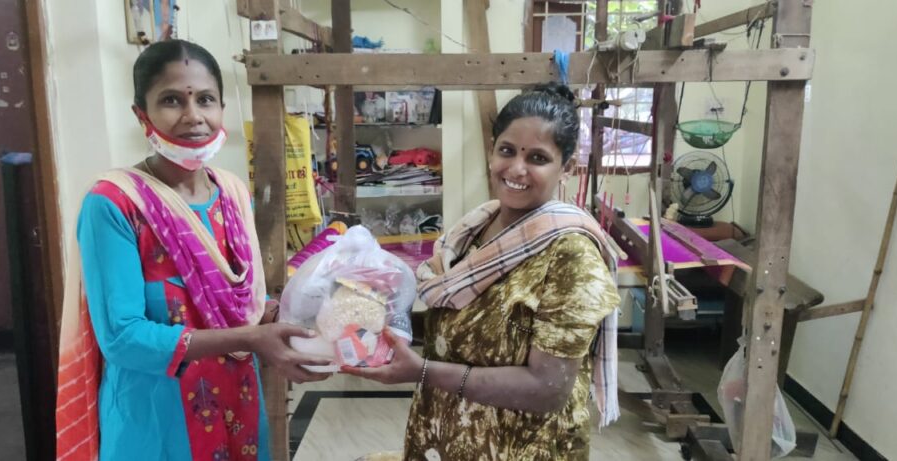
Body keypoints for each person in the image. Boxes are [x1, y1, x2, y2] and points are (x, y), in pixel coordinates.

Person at [55, 39, 330, 461]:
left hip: (239, 403)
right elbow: (123, 338)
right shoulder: (115, 204)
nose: (193, 117)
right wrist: (254, 337)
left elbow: (239, 302)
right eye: (171, 100)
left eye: (206, 99)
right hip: (157, 416)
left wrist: (291, 316)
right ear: (140, 114)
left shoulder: (233, 194)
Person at [343, 83, 622, 460]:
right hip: (451, 433)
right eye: (507, 150)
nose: (517, 169)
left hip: (520, 445)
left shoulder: (570, 256)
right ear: (492, 151)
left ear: (566, 168)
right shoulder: (475, 230)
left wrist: (422, 371)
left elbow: (548, 387)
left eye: (538, 158)